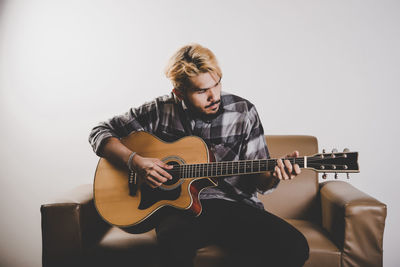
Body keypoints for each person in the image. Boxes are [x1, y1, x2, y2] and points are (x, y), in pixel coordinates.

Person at [89, 43, 309, 267]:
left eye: (217, 84)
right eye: (201, 91)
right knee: (174, 241)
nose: (214, 96)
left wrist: (274, 174)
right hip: (180, 211)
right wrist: (136, 162)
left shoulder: (243, 112)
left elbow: (261, 181)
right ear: (179, 93)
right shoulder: (158, 111)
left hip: (235, 205)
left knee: (295, 247)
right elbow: (99, 132)